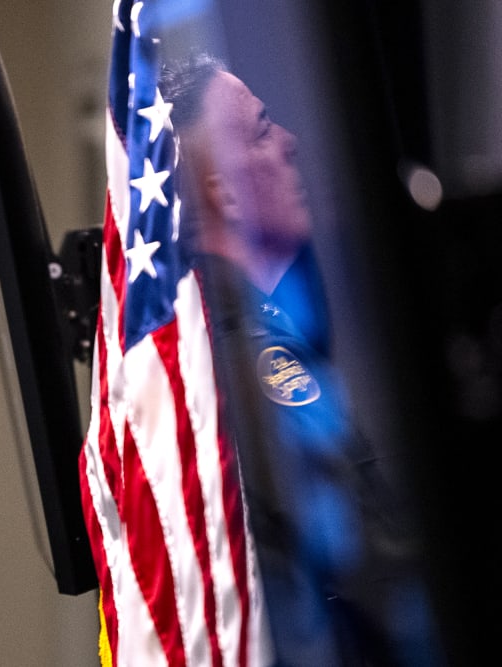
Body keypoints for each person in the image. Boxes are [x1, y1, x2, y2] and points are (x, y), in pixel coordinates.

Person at [159, 53, 443, 666]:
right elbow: (375, 569)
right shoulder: (254, 360)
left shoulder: (219, 341)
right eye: (262, 130)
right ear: (225, 192)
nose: (288, 142)